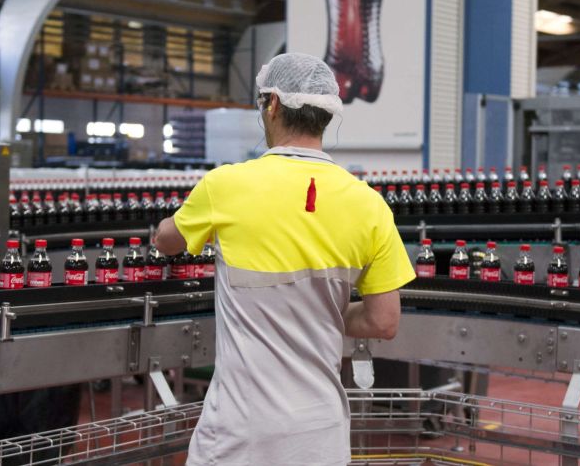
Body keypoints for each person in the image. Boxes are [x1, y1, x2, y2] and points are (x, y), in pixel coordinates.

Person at [153, 52, 415, 466]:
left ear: (272, 104)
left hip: (242, 433)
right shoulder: (370, 206)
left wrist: (165, 225)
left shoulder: (226, 186)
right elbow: (384, 322)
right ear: (327, 114)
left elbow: (167, 241)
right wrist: (317, 309)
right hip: (320, 434)